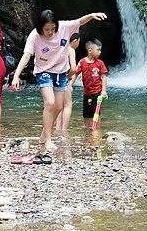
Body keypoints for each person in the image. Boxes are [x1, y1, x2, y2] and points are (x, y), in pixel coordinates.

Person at [11, 10, 107, 153]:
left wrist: (92, 16)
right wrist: (16, 75)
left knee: (59, 106)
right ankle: (48, 140)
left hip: (61, 73)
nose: (50, 32)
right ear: (40, 27)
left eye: (52, 28)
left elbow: (79, 21)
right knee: (50, 102)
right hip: (43, 71)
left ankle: (44, 134)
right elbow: (26, 56)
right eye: (46, 29)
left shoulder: (63, 27)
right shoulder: (34, 36)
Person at [73, 39, 108, 129]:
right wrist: (69, 85)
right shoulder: (82, 62)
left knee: (96, 112)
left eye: (100, 50)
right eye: (98, 50)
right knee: (86, 114)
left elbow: (104, 77)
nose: (100, 52)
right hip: (86, 93)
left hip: (97, 93)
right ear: (90, 50)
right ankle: (86, 129)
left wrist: (104, 91)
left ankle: (96, 128)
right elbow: (75, 74)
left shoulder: (100, 63)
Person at [55, 33, 81, 131]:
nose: (78, 44)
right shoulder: (71, 50)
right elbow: (74, 69)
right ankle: (64, 130)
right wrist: (69, 78)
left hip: (54, 78)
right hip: (63, 78)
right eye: (79, 41)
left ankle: (57, 128)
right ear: (75, 41)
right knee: (67, 105)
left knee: (59, 105)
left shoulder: (59, 48)